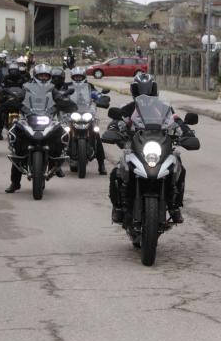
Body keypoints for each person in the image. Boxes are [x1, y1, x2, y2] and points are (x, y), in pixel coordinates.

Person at [108, 73, 193, 224]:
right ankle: (119, 207)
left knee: (179, 167)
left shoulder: (164, 108)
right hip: (135, 148)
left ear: (154, 89)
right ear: (134, 91)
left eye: (148, 89)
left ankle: (174, 206)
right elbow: (117, 120)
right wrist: (114, 129)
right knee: (116, 173)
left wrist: (187, 132)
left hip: (161, 145)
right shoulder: (127, 108)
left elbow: (176, 121)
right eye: (140, 90)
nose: (144, 94)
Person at [5, 64, 64, 193]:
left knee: (61, 133)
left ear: (49, 77)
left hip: (47, 117)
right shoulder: (26, 87)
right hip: (29, 117)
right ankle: (15, 183)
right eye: (41, 75)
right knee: (18, 147)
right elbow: (19, 98)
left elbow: (59, 99)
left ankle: (56, 163)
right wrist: (15, 102)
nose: (43, 78)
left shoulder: (52, 88)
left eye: (46, 75)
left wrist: (61, 104)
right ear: (35, 76)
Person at [68, 67, 106, 175]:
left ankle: (101, 163)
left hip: (87, 114)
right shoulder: (68, 86)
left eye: (80, 77)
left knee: (96, 134)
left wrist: (100, 97)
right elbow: (61, 95)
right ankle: (56, 164)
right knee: (62, 134)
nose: (78, 79)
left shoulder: (89, 86)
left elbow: (97, 94)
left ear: (84, 77)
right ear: (72, 77)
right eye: (76, 77)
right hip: (72, 114)